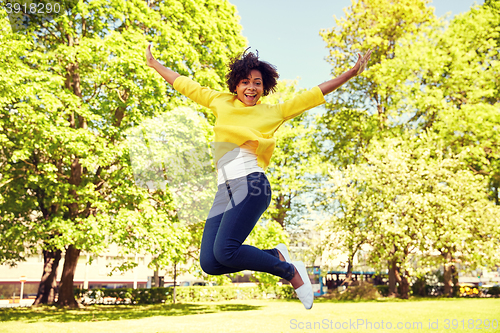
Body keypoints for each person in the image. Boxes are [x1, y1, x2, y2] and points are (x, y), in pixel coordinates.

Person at [146, 44, 371, 309]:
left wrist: (350, 73)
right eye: (245, 82)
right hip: (224, 190)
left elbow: (313, 94)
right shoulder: (220, 101)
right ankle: (276, 255)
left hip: (251, 184)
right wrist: (154, 64)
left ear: (264, 88)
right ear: (235, 86)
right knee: (211, 262)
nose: (251, 88)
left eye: (257, 83)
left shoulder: (272, 112)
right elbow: (185, 84)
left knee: (226, 250)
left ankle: (290, 273)